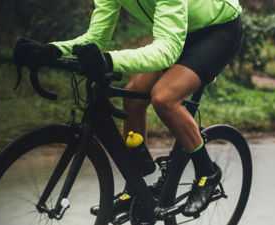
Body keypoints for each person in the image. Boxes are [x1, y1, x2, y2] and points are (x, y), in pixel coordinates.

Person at [14, 0, 243, 218]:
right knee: (133, 95)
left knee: (164, 98)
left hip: (217, 30)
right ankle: (135, 186)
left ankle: (207, 173)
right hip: (178, 29)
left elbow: (167, 50)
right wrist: (52, 51)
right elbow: (95, 39)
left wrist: (108, 60)